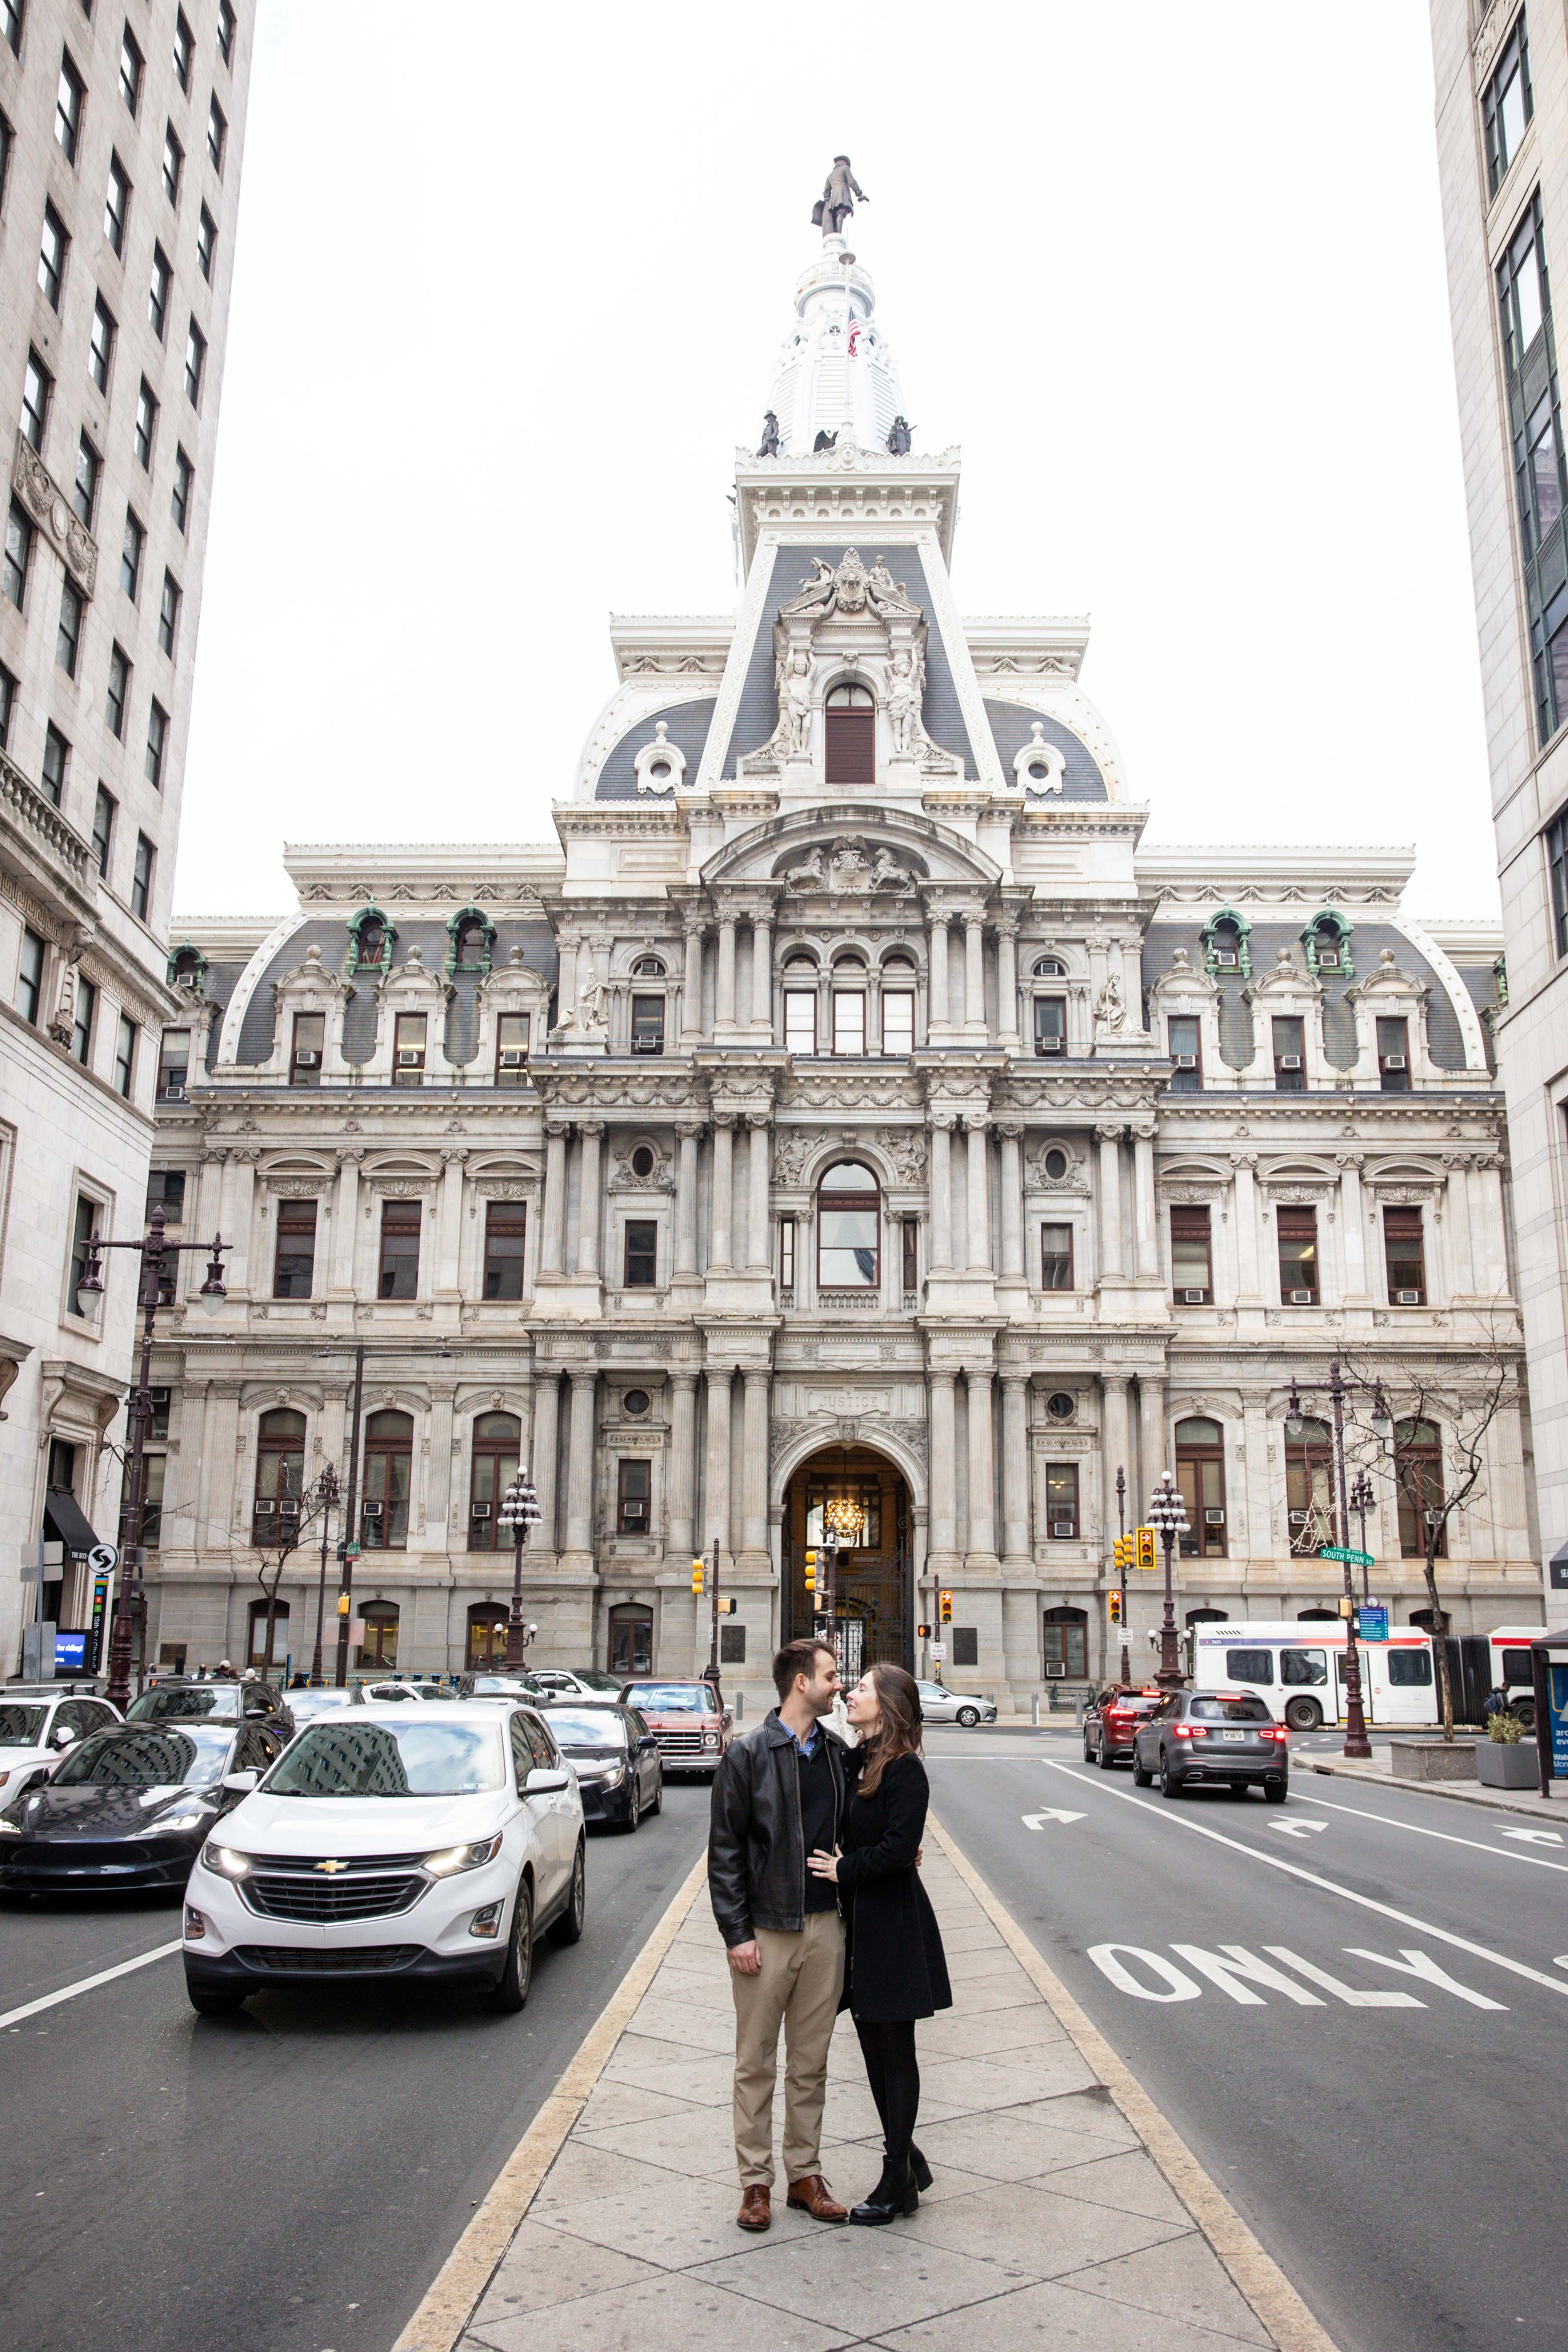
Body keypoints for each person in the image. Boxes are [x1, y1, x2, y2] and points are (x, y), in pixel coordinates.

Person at [709, 1638, 851, 2233]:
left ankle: (804, 2174)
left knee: (811, 2063)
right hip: (767, 1932)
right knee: (756, 2062)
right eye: (830, 1675)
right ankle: (755, 2183)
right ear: (801, 1683)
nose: (838, 1684)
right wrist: (737, 1933)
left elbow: (862, 1827)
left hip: (827, 1928)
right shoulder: (747, 1755)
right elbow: (724, 1852)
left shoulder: (839, 1754)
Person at [807, 1661, 951, 2225]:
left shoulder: (905, 1770)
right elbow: (817, 1751)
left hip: (894, 1924)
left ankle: (898, 2178)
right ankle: (908, 2155)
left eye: (861, 1688)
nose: (850, 1692)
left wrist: (847, 1870)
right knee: (871, 2046)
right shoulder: (859, 1758)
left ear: (887, 1705)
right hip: (864, 1923)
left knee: (895, 2051)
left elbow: (898, 1849)